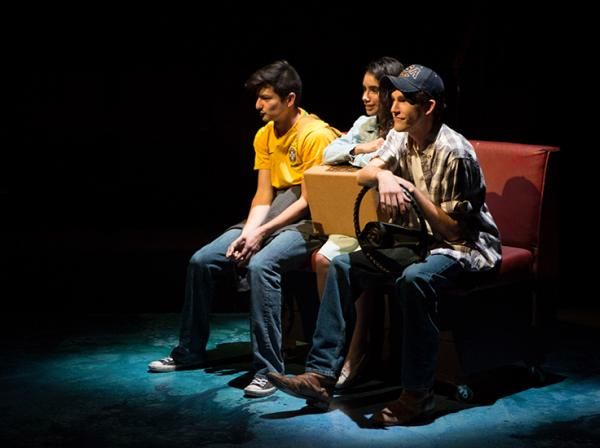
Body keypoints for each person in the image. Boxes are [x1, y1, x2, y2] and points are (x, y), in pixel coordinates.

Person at [267, 64, 501, 426]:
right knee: (342, 265)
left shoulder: (456, 153)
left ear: (429, 107)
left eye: (404, 100)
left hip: (465, 249)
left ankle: (417, 396)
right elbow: (365, 172)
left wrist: (410, 191)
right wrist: (386, 174)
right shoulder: (399, 136)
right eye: (392, 98)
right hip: (417, 241)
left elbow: (455, 233)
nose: (393, 107)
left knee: (415, 279)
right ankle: (320, 376)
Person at [148, 60, 340, 398]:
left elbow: (307, 201)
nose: (258, 105)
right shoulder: (264, 134)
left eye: (266, 98)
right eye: (258, 98)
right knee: (202, 260)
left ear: (290, 98)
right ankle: (189, 351)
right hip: (274, 213)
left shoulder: (316, 134)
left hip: (311, 220)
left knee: (261, 264)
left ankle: (268, 370)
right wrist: (249, 233)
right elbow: (264, 194)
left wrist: (261, 235)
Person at [313, 57, 403, 389]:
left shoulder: (403, 127)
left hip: (384, 223)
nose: (366, 97)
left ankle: (356, 350)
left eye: (374, 90)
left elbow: (391, 169)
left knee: (350, 265)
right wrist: (362, 150)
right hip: (353, 215)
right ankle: (337, 346)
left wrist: (368, 159)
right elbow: (329, 154)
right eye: (364, 89)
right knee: (322, 260)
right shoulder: (364, 125)